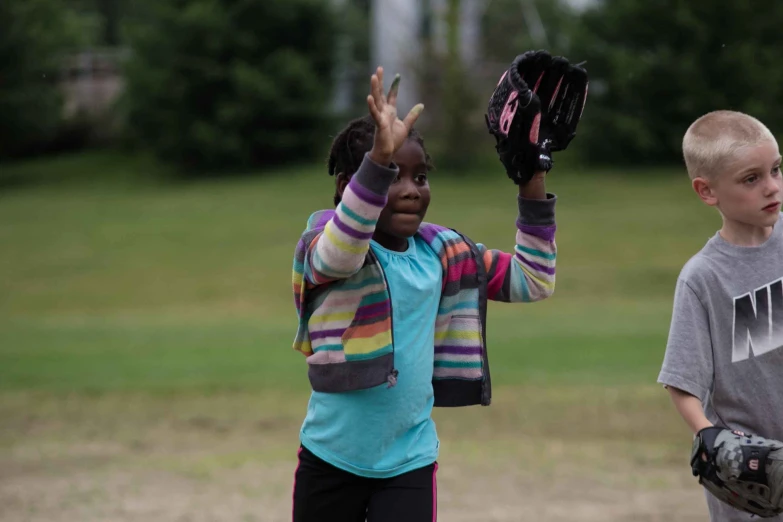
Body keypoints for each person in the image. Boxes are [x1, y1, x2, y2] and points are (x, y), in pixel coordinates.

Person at [290, 66, 558, 522]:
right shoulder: (324, 246)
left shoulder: (443, 253)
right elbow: (342, 251)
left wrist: (531, 181)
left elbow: (533, 280)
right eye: (393, 176)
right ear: (346, 187)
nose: (411, 191)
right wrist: (377, 160)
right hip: (331, 458)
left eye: (420, 177)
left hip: (409, 460)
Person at [657, 109, 783, 521]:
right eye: (752, 179)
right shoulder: (704, 278)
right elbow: (682, 378)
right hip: (756, 473)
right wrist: (708, 436)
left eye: (776, 170)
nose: (771, 187)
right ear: (707, 191)